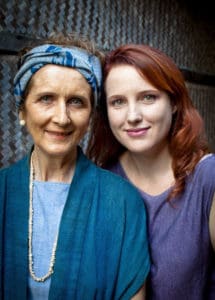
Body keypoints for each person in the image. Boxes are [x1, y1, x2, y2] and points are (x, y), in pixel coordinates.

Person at [0, 35, 150, 300]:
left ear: (91, 113)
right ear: (22, 110)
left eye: (76, 102)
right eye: (46, 98)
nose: (61, 118)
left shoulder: (122, 203)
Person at [87, 43, 215, 299]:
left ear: (175, 103)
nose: (133, 116)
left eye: (148, 97)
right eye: (118, 102)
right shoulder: (100, 184)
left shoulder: (207, 177)